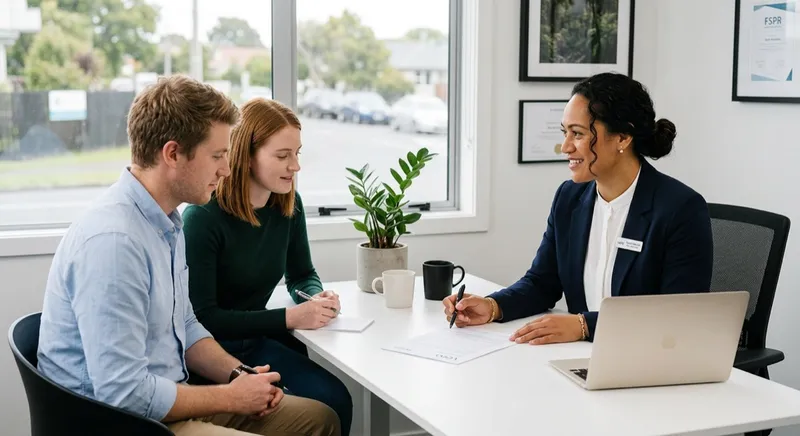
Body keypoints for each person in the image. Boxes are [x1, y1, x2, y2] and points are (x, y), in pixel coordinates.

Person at [37, 75, 340, 436]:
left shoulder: (166, 224)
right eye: (217, 156)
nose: (227, 169)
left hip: (167, 400)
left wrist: (239, 376)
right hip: (123, 422)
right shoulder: (115, 243)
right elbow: (123, 394)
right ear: (173, 154)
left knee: (320, 418)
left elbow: (187, 326)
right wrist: (230, 398)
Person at [444, 72, 713, 344]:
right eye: (565, 133)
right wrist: (493, 306)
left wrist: (584, 326)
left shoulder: (680, 208)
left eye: (578, 134)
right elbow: (542, 283)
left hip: (647, 359)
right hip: (578, 357)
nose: (565, 147)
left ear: (622, 137)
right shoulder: (569, 197)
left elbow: (677, 314)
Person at [182, 98, 353, 435]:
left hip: (259, 341)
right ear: (246, 157)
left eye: (297, 153)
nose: (295, 166)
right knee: (319, 401)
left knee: (335, 399)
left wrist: (313, 298)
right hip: (213, 355)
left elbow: (302, 274)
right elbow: (204, 318)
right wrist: (290, 317)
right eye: (282, 156)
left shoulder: (289, 205)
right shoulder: (202, 219)